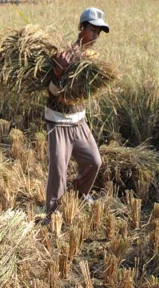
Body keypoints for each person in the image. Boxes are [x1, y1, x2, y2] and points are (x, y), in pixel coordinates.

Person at [43, 7, 110, 219]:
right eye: (93, 30)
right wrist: (58, 73)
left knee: (94, 162)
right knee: (58, 172)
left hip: (79, 121)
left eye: (100, 32)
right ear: (81, 28)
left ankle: (78, 195)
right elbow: (52, 94)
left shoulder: (92, 60)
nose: (96, 36)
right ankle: (51, 215)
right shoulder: (63, 55)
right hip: (58, 122)